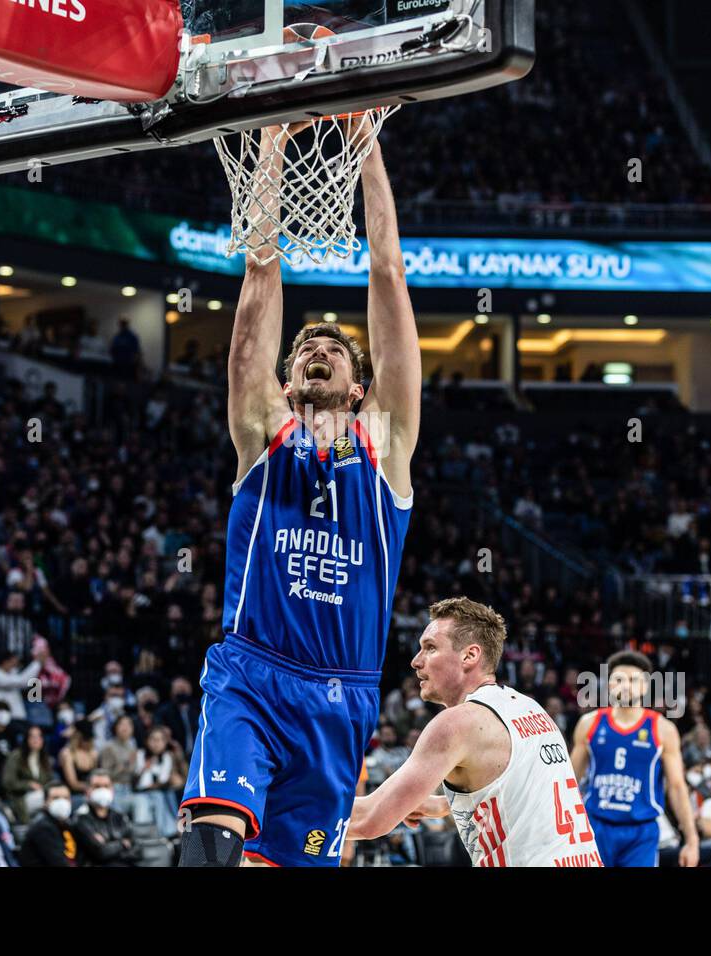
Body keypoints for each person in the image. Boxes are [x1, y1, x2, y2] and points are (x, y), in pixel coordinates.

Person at [179, 126, 420, 867]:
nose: (318, 349)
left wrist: (367, 140)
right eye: (305, 350)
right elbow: (259, 275)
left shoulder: (387, 447)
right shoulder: (263, 433)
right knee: (214, 842)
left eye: (335, 350)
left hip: (342, 698)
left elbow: (387, 275)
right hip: (251, 673)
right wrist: (275, 144)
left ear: (359, 385)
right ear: (286, 384)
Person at [347, 598, 601, 867]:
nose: (415, 661)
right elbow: (519, 789)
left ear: (470, 655)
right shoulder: (530, 708)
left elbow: (369, 819)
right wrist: (445, 805)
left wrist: (299, 816)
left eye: (430, 648)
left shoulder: (456, 724)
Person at [570, 650, 701, 867]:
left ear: (645, 686)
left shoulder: (663, 729)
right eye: (619, 679)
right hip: (596, 826)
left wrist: (692, 839)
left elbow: (677, 787)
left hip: (641, 832)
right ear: (609, 684)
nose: (626, 685)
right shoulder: (589, 724)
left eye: (633, 680)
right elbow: (570, 781)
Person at [72, 770, 139, 867]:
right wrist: (122, 844)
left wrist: (110, 846)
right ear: (87, 791)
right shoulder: (80, 818)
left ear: (112, 790)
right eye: (97, 786)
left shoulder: (120, 816)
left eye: (106, 786)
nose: (102, 790)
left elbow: (138, 850)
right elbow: (100, 853)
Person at [19, 782, 79, 867]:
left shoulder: (66, 824)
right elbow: (59, 863)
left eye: (66, 798)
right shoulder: (43, 828)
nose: (62, 802)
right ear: (45, 802)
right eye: (55, 798)